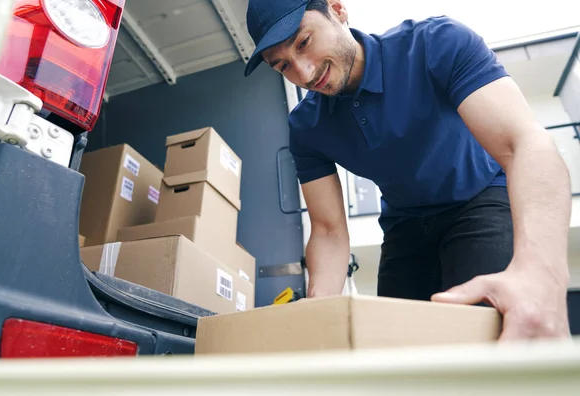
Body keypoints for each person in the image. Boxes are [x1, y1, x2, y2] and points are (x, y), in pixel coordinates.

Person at [244, 0, 572, 340]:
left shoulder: (436, 43)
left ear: (337, 10)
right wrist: (317, 313)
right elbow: (328, 230)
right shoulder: (305, 127)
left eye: (304, 43)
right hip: (405, 222)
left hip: (480, 197)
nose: (305, 74)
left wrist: (540, 275)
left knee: (480, 331)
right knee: (399, 344)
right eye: (283, 66)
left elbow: (524, 146)